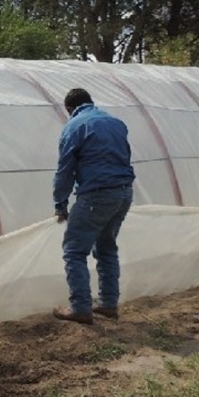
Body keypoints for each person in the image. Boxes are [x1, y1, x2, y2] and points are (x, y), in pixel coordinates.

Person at [51, 88, 135, 325]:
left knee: (74, 250)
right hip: (124, 192)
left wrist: (60, 204)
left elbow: (64, 171)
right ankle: (108, 303)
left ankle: (80, 307)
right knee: (106, 247)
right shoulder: (115, 122)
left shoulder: (74, 127)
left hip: (97, 195)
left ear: (69, 108)